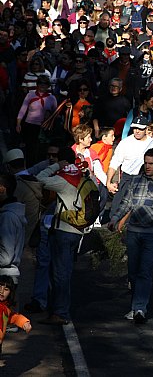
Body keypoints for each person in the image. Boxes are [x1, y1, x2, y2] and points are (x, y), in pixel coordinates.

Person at [108, 148, 153, 324]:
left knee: (145, 271)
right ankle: (135, 305)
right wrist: (115, 218)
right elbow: (126, 203)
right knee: (133, 271)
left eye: (151, 163)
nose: (147, 166)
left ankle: (140, 308)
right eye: (145, 163)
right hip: (134, 232)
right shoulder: (136, 181)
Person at [36, 147, 86, 325]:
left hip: (63, 230)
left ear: (63, 161)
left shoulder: (63, 180)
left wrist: (55, 166)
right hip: (78, 231)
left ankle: (60, 313)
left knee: (60, 274)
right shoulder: (84, 176)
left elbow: (40, 178)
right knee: (65, 272)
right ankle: (59, 310)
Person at [106, 116, 153, 220]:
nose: (137, 131)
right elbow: (114, 163)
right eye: (135, 128)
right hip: (127, 179)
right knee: (116, 209)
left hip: (144, 180)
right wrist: (108, 182)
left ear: (146, 129)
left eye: (140, 128)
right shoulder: (125, 142)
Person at [0, 173, 27, 285]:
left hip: (5, 277)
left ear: (2, 189)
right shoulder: (9, 213)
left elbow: (5, 257)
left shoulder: (8, 216)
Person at [0, 275, 32, 357]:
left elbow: (13, 317)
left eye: (6, 289)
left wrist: (24, 322)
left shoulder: (6, 309)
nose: (1, 291)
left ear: (10, 293)